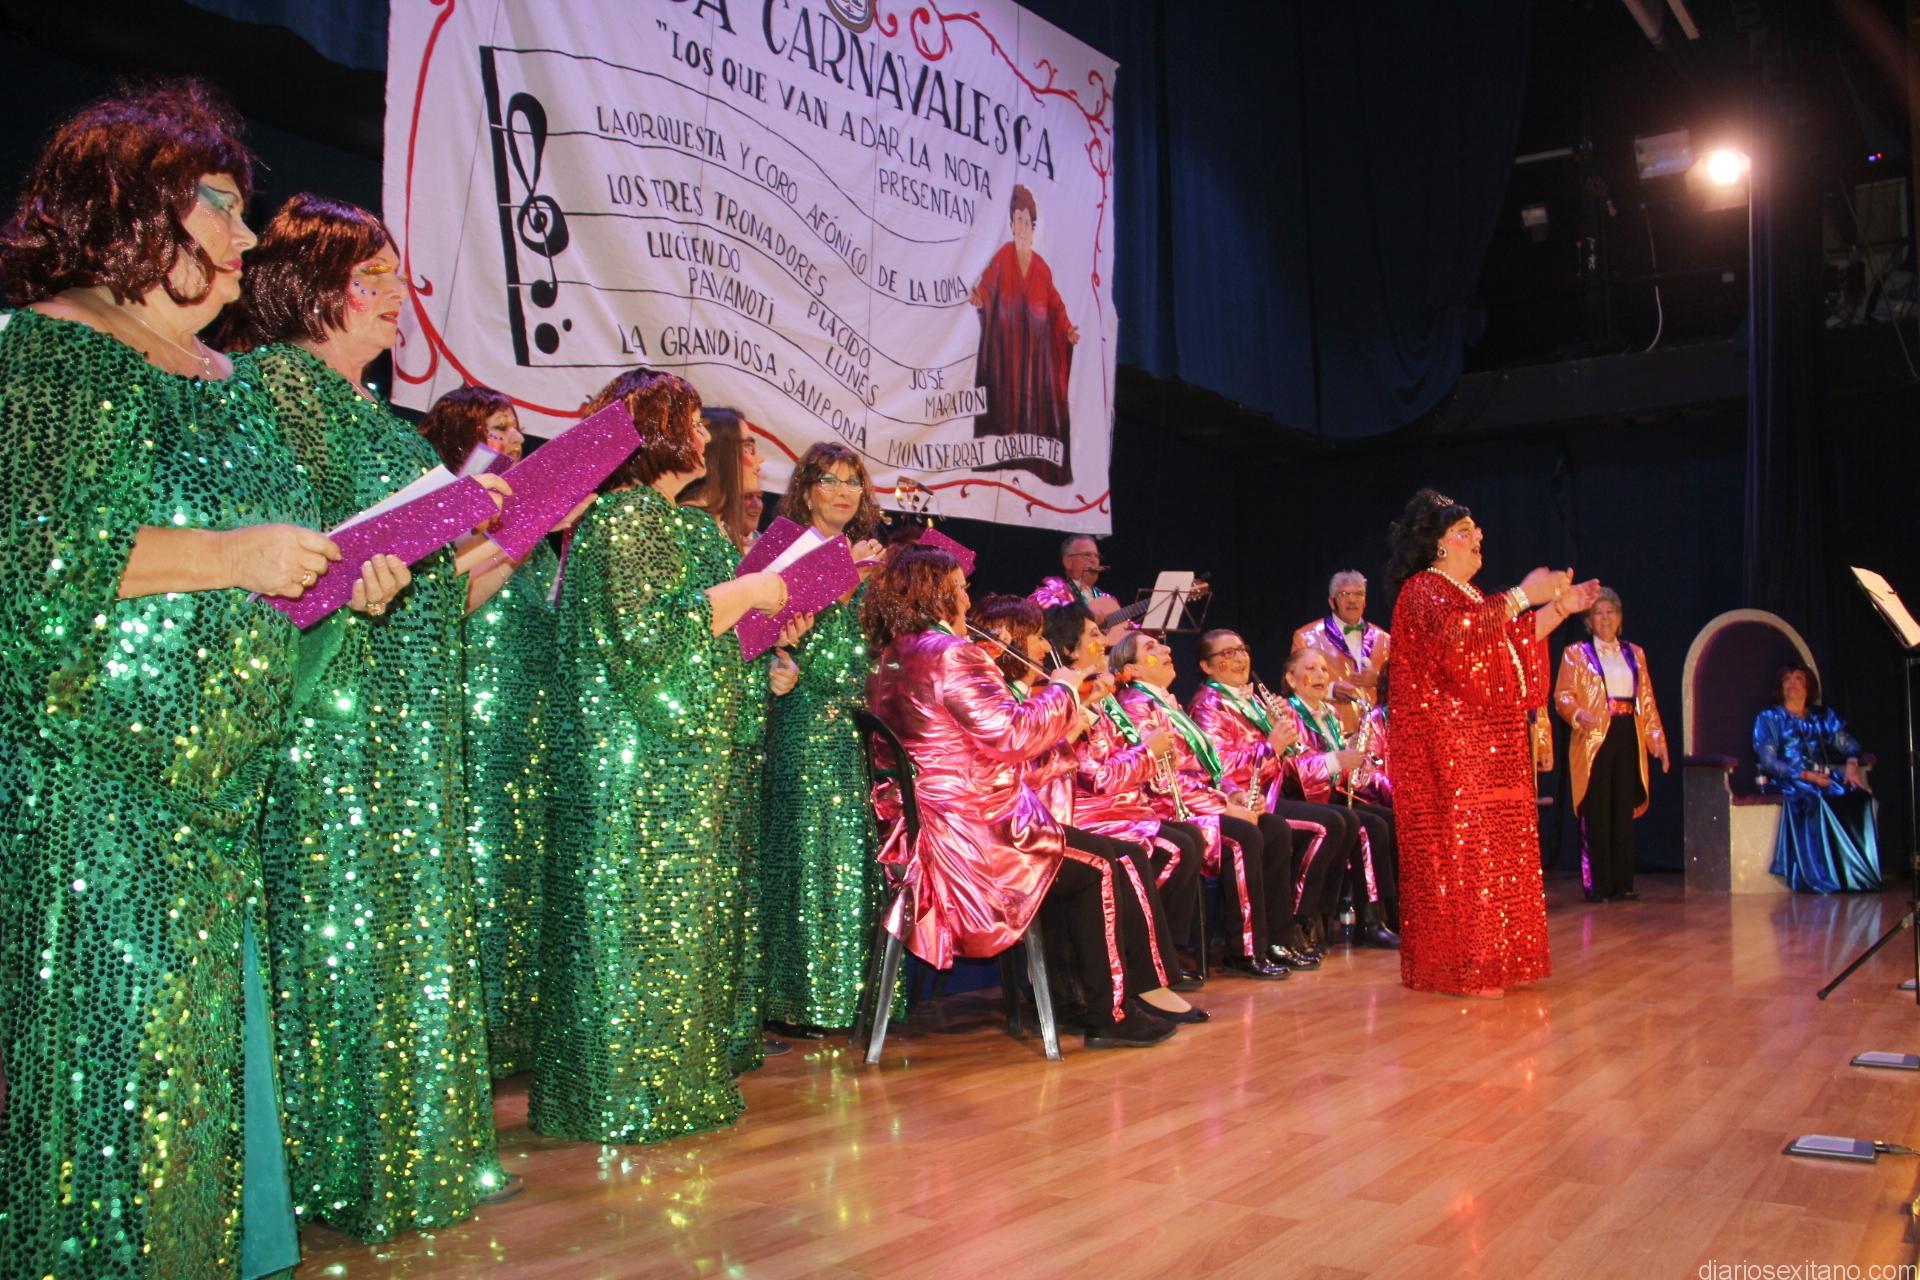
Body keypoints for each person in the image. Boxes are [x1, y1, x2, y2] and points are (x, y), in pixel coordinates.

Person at [0, 83, 406, 1279]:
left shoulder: (229, 382)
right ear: (130, 207)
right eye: (219, 205)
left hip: (215, 801)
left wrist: (336, 586)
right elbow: (35, 562)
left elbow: (267, 589)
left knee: (183, 1105)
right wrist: (234, 556)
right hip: (98, 797)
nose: (244, 234)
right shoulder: (52, 350)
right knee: (111, 1099)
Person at [219, 193, 517, 1238]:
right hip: (332, 714)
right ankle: (329, 1160)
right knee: (338, 923)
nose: (397, 297)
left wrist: (502, 527)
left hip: (408, 713)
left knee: (403, 931)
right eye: (373, 278)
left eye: (397, 278)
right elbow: (265, 559)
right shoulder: (271, 388)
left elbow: (430, 593)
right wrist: (350, 582)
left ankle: (406, 1147)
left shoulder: (380, 422)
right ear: (311, 284)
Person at [532, 368, 806, 1144]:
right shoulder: (626, 516)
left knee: (671, 929)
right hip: (640, 760)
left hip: (678, 756)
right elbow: (651, 636)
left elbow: (691, 638)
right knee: (636, 927)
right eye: (687, 421)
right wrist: (749, 594)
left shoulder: (661, 520)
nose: (702, 436)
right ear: (651, 433)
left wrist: (762, 633)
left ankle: (664, 1083)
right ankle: (627, 1095)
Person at [862, 547, 1178, 1047]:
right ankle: (1110, 1016)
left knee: (1096, 855)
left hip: (934, 829)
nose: (966, 597)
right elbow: (1012, 736)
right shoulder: (950, 654)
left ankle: (1075, 1004)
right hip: (973, 838)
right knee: (1102, 863)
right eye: (960, 587)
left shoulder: (892, 657)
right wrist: (1063, 690)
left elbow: (973, 750)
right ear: (937, 593)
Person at [419, 385, 580, 1074]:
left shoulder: (527, 528)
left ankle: (520, 1027)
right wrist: (522, 531)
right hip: (478, 714)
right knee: (482, 862)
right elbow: (447, 600)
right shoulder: (449, 505)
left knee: (523, 869)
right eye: (496, 429)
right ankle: (478, 1032)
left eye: (516, 429)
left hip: (533, 718)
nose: (513, 441)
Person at [1385, 489, 1598, 997]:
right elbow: (1457, 639)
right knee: (1466, 852)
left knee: (1497, 851)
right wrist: (1524, 594)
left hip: (1489, 742)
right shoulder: (1422, 590)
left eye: (1477, 530)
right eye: (1464, 532)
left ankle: (1493, 958)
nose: (1478, 537)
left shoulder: (1471, 595)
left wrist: (1559, 608)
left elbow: (1509, 643)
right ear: (1438, 545)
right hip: (1450, 749)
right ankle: (1462, 965)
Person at [758, 443, 887, 1035]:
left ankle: (852, 996)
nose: (842, 492)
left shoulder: (865, 556)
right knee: (808, 854)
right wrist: (844, 576)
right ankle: (801, 1001)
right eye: (829, 480)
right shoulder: (785, 546)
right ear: (806, 489)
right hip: (803, 717)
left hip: (854, 724)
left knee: (850, 856)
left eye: (852, 482)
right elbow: (767, 627)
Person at [680, 405, 792, 1068]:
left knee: (730, 896)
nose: (758, 459)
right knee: (709, 899)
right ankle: (709, 1039)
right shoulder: (693, 532)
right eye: (747, 447)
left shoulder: (715, 538)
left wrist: (773, 659)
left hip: (737, 729)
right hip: (703, 739)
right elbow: (687, 642)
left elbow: (724, 643)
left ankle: (728, 1030)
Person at [1191, 629, 1376, 954]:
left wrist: (1281, 735)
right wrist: (1271, 746)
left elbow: (1292, 761)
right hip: (1247, 799)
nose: (1239, 658)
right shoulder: (1209, 705)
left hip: (1271, 793)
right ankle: (1295, 921)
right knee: (1329, 825)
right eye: (1227, 654)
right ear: (1206, 666)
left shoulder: (1252, 701)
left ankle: (1314, 919)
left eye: (1241, 650)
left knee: (1346, 820)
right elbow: (1220, 768)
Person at [1552, 589, 1668, 903]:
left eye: (1610, 612)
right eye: (1598, 613)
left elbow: (1647, 701)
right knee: (1597, 809)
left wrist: (1657, 740)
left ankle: (1622, 883)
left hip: (1627, 732)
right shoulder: (1576, 653)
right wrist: (1577, 713)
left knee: (1621, 807)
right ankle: (1598, 885)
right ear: (1589, 621)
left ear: (1619, 618)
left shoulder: (1635, 653)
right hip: (1594, 737)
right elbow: (1563, 695)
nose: (1605, 618)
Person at [969, 184, 1079, 485]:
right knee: (1004, 408)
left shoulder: (1042, 269)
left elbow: (1055, 306)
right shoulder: (1003, 257)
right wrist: (980, 297)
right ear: (1011, 225)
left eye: (1027, 221)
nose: (1022, 227)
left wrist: (1067, 330)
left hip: (1033, 362)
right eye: (1017, 220)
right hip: (1005, 354)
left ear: (1033, 228)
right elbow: (987, 286)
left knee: (1030, 410)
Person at [1753, 663, 1880, 893]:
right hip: (1791, 778)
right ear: (1780, 687)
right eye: (1787, 679)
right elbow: (1769, 762)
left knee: (1860, 797)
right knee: (1816, 800)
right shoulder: (1770, 717)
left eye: (1799, 679)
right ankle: (1826, 876)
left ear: (1808, 686)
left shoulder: (1821, 717)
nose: (1792, 684)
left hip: (1821, 775)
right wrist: (1804, 775)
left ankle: (1856, 875)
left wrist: (1851, 764)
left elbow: (1848, 744)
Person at [1292, 570, 1391, 735]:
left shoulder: (1385, 639)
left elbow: (1405, 686)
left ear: (1365, 600)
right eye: (1344, 594)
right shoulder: (1307, 637)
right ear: (1332, 602)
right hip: (1332, 733)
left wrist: (1379, 680)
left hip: (1378, 735)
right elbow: (1295, 684)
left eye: (1358, 594)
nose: (1352, 600)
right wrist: (1331, 690)